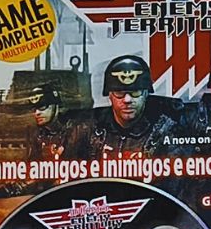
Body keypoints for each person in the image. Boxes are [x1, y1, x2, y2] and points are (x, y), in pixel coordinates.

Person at [52, 54, 181, 161]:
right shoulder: (87, 129)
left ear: (146, 93)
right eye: (119, 93)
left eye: (135, 92)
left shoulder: (166, 130)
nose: (127, 100)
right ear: (109, 95)